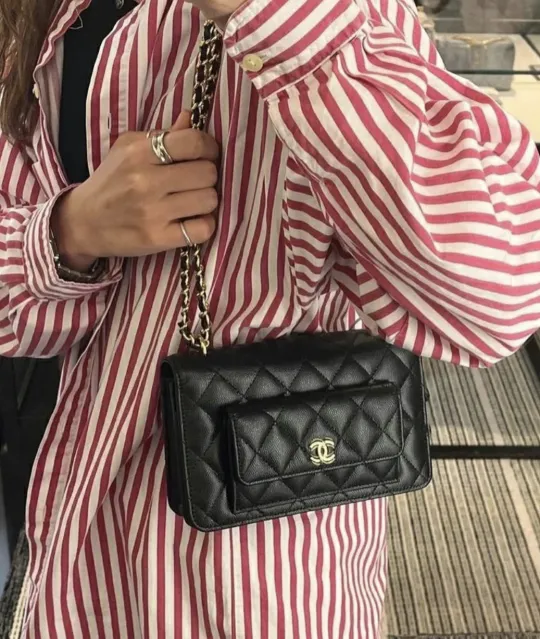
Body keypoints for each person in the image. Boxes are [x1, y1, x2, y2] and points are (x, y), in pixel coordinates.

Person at [1, 0, 540, 636]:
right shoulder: (43, 17)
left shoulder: (347, 16)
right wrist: (67, 232)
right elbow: (22, 316)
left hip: (259, 576)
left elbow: (497, 299)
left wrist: (266, 19)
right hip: (77, 549)